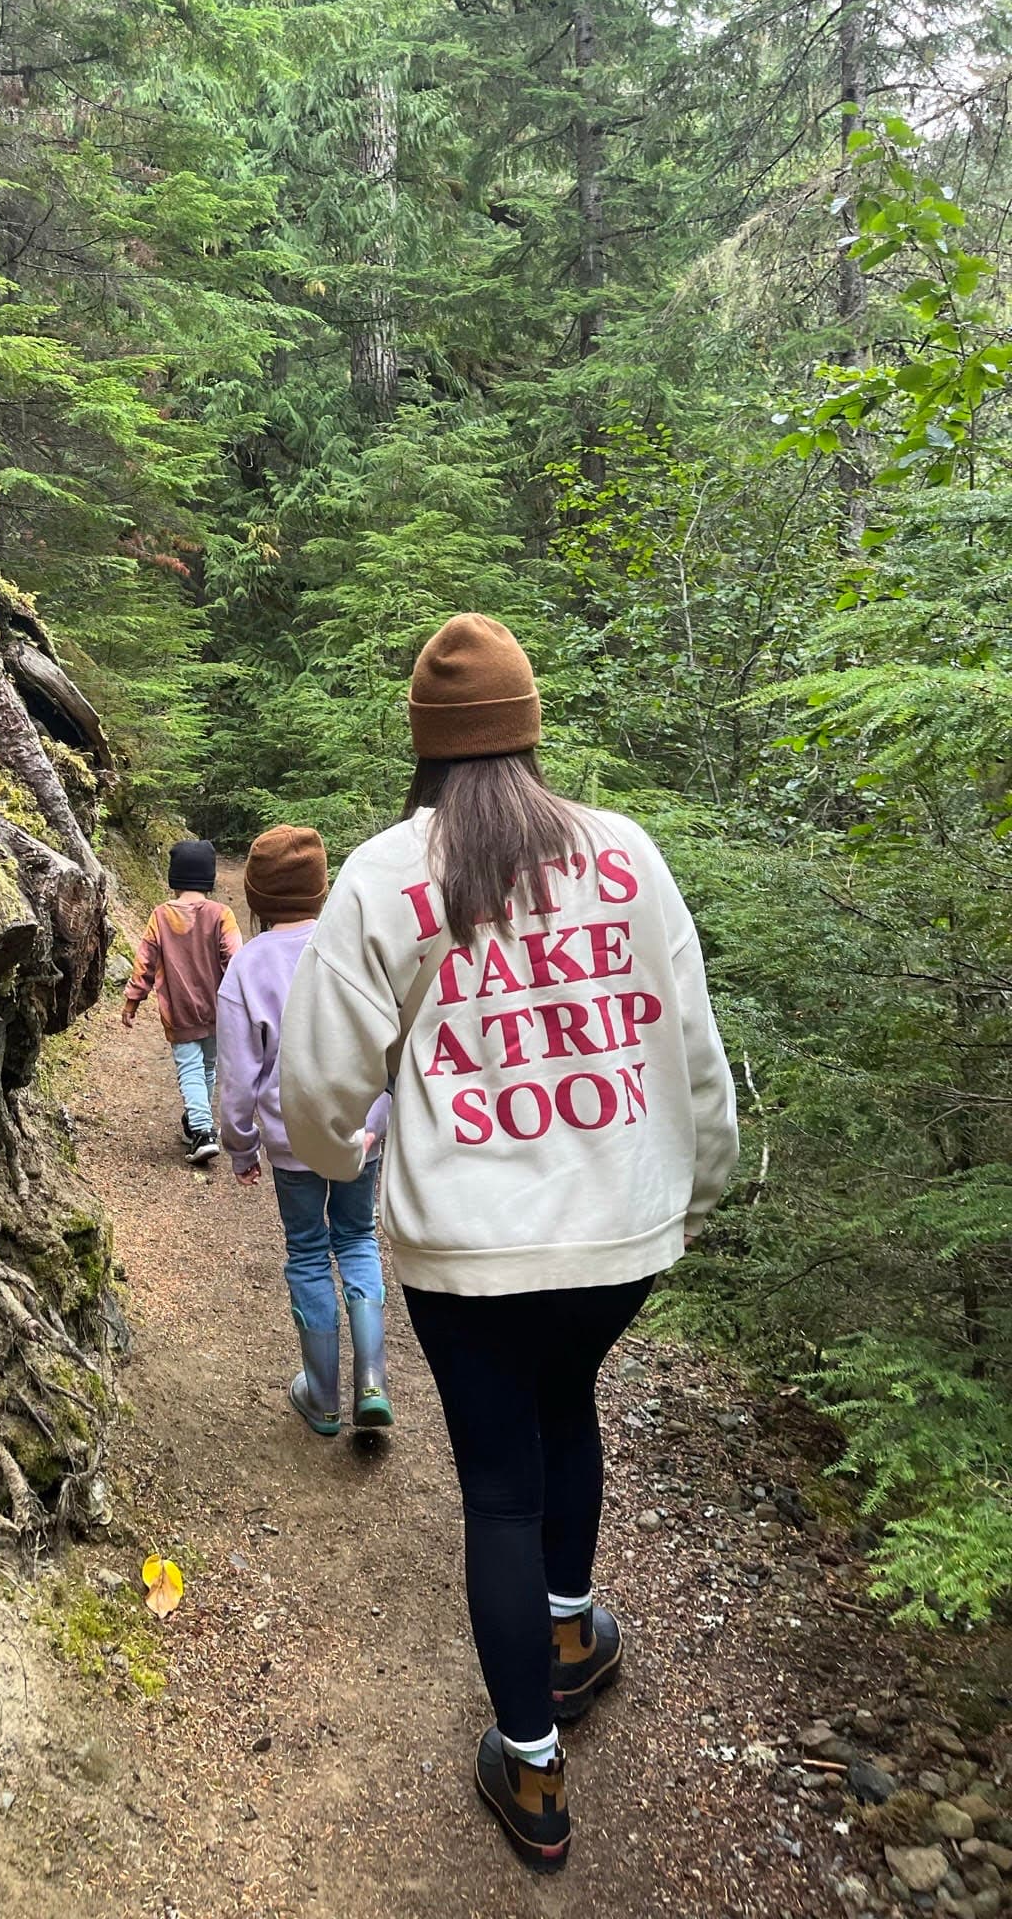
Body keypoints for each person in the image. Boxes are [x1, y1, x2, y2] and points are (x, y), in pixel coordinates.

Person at [279, 614, 739, 1874]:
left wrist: (338, 1158)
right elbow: (691, 1043)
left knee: (498, 1484)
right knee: (569, 1403)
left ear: (423, 747)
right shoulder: (625, 854)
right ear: (532, 728)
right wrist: (703, 1178)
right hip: (615, 1240)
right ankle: (572, 1631)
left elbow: (321, 1077)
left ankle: (531, 1767)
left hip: (471, 1256)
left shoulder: (383, 874)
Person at [216, 826, 393, 1436]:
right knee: (358, 1238)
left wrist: (240, 1145)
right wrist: (380, 1119)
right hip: (358, 1133)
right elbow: (389, 1045)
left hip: (291, 1145)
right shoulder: (354, 950)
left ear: (256, 898)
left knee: (309, 1252)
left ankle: (321, 1399)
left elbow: (238, 1076)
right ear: (325, 888)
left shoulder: (246, 967)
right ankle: (372, 1382)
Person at [122, 839, 242, 1164]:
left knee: (190, 1067)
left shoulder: (161, 917)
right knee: (207, 1066)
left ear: (174, 878)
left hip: (179, 1011)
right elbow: (236, 959)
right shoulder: (222, 915)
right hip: (218, 1010)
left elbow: (144, 962)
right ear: (210, 878)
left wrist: (133, 1000)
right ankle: (195, 1121)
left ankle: (202, 1130)